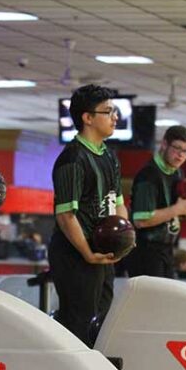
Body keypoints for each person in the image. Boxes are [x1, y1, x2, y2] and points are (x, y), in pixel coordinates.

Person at [49, 84, 126, 347]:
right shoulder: (72, 159)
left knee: (103, 323)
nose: (115, 117)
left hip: (102, 254)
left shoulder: (109, 156)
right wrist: (86, 252)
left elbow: (117, 204)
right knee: (79, 324)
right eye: (109, 111)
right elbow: (66, 216)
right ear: (88, 117)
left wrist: (126, 237)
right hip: (75, 255)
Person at [127, 125, 186, 278]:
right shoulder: (149, 175)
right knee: (152, 301)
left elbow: (170, 210)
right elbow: (141, 220)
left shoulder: (177, 173)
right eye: (177, 148)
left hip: (168, 248)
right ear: (164, 144)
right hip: (146, 251)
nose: (181, 155)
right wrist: (178, 209)